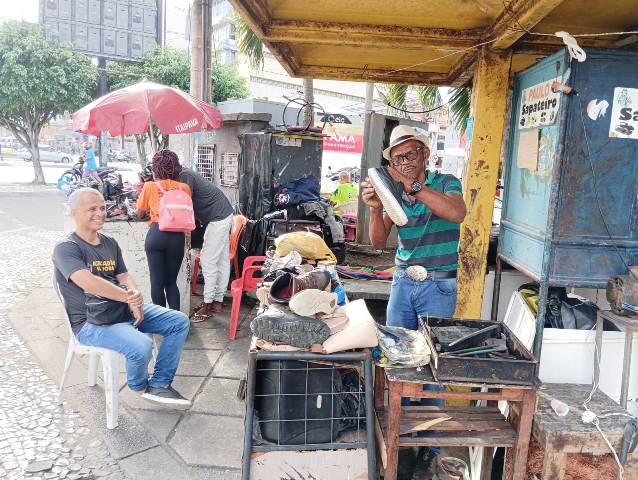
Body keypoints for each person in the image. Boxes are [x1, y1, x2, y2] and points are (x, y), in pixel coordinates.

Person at [360, 124, 466, 468]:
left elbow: (457, 213)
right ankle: (399, 441)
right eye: (397, 157)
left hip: (438, 285)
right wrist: (377, 207)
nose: (404, 161)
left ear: (425, 154)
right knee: (397, 358)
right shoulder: (394, 191)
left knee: (433, 365)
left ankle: (429, 450)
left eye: (410, 154)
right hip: (403, 282)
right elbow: (378, 243)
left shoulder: (446, 182)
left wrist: (412, 187)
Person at [52, 187, 191, 406]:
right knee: (142, 346)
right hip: (90, 323)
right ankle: (139, 386)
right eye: (92, 209)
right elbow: (88, 282)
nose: (100, 213)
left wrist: (134, 293)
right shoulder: (66, 248)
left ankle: (160, 384)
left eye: (102, 207)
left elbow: (124, 276)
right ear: (74, 212)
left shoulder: (109, 243)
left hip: (120, 309)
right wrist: (130, 299)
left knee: (179, 321)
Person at [136, 150, 192, 311]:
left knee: (157, 282)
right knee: (171, 282)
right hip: (177, 238)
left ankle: (161, 322)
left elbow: (140, 213)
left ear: (155, 168)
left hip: (156, 235)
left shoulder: (149, 186)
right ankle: (177, 323)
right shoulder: (184, 188)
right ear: (176, 168)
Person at [178, 166, 234, 322]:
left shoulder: (184, 175)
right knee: (221, 260)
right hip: (223, 214)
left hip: (218, 218)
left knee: (208, 261)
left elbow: (185, 202)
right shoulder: (185, 173)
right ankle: (218, 300)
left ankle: (207, 304)